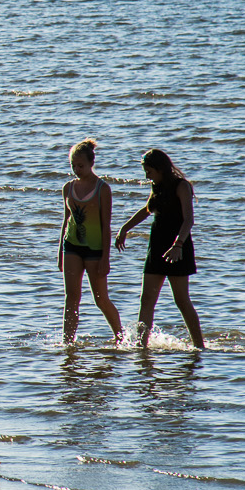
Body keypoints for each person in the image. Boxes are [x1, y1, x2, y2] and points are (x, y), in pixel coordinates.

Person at [115, 148, 205, 350]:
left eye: (149, 171)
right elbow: (147, 210)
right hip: (157, 245)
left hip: (178, 247)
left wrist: (178, 244)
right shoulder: (157, 185)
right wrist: (124, 229)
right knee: (146, 299)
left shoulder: (181, 186)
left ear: (160, 168)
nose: (147, 176)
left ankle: (199, 346)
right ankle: (141, 346)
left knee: (182, 301)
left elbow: (189, 219)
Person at [58, 138, 123, 344]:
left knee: (100, 299)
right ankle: (68, 343)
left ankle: (121, 337)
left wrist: (106, 258)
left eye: (81, 166)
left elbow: (106, 226)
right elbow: (65, 220)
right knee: (71, 298)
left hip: (95, 250)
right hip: (72, 247)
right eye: (73, 166)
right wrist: (60, 252)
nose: (76, 170)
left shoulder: (102, 188)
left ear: (91, 163)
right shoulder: (68, 187)